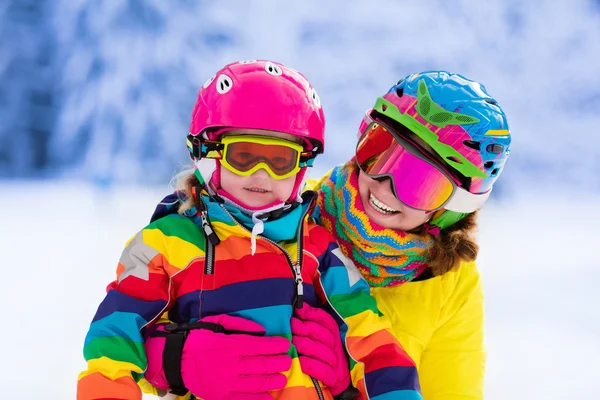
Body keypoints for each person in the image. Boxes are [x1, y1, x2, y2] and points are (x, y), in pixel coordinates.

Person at [76, 60, 422, 400]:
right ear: (209, 156)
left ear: (300, 169)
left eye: (280, 160)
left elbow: (377, 348)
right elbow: (114, 343)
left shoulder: (318, 249)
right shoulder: (163, 244)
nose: (262, 175)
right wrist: (174, 358)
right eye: (244, 156)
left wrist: (350, 377)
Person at [309, 71, 512, 399]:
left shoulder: (449, 282)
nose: (385, 186)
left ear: (452, 208)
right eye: (377, 151)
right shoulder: (291, 215)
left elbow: (452, 390)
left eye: (419, 183)